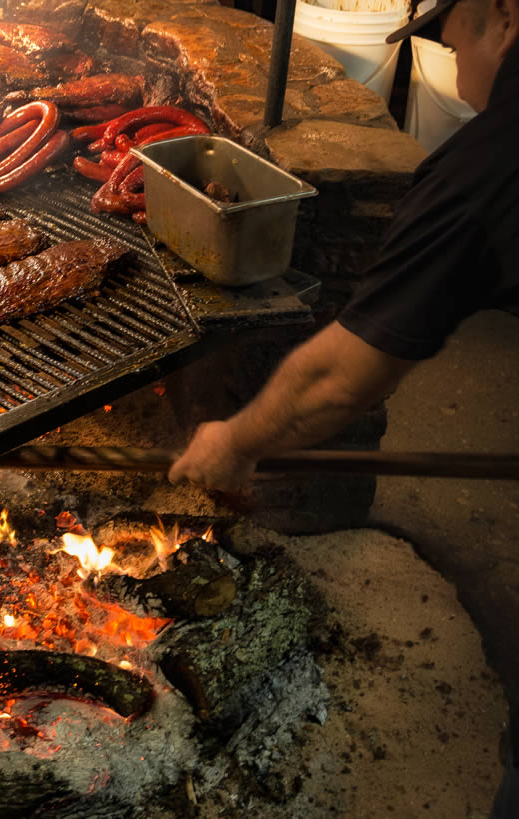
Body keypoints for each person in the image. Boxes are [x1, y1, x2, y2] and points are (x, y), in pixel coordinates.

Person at [169, 0, 518, 812]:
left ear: (503, 15)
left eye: (449, 29)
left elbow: (343, 378)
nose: (448, 54)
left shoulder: (491, 162)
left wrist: (233, 439)